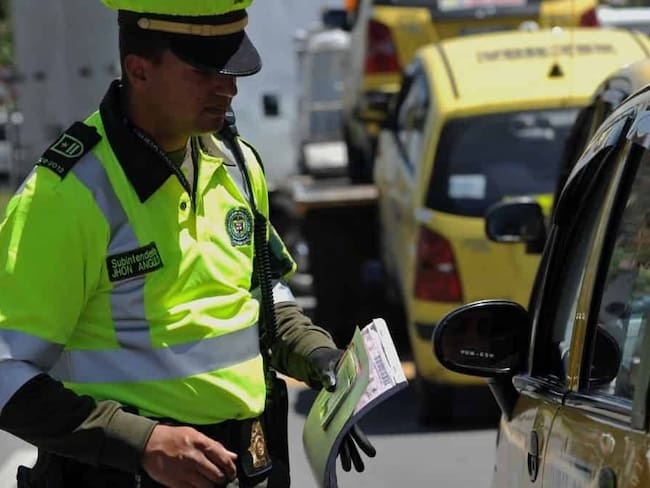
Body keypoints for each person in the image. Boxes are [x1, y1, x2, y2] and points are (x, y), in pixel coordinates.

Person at [0, 1, 375, 487]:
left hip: (247, 465)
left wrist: (319, 355)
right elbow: (6, 373)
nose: (229, 87)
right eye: (204, 71)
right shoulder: (64, 197)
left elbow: (264, 294)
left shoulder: (238, 165)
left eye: (231, 68)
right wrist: (143, 443)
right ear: (139, 70)